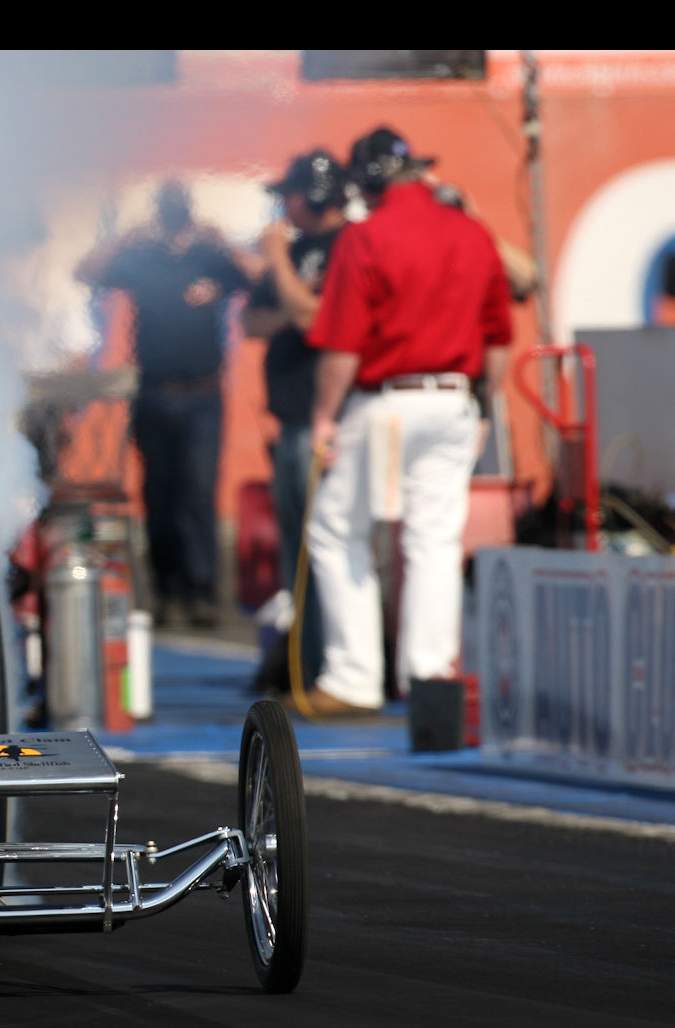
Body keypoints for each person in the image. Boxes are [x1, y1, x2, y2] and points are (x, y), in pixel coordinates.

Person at [301, 128, 512, 716]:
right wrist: (483, 409)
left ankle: (353, 677)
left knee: (338, 529)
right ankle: (428, 677)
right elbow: (498, 337)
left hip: (386, 400)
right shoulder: (473, 233)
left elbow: (343, 344)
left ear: (368, 181)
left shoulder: (365, 237)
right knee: (434, 539)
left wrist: (323, 417)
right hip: (455, 402)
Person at [77, 181, 259, 628]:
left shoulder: (211, 257)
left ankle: (201, 592)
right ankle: (165, 591)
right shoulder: (142, 256)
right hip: (155, 390)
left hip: (202, 394)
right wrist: (126, 237)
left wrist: (225, 243)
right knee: (158, 497)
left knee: (197, 495)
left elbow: (259, 277)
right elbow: (86, 272)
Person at [244, 149, 349, 691]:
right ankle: (303, 662)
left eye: (290, 194)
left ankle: (334, 663)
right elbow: (254, 321)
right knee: (297, 555)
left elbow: (312, 319)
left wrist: (280, 265)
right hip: (290, 420)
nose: (283, 207)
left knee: (327, 549)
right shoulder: (300, 250)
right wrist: (292, 295)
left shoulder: (344, 246)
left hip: (325, 422)